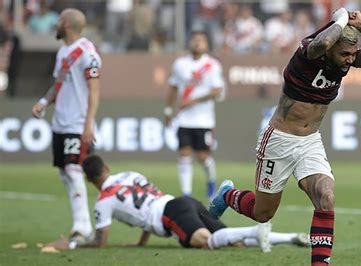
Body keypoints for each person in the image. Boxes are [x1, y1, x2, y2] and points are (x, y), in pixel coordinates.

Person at [209, 8, 361, 265]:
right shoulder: (308, 52)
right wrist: (339, 17)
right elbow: (325, 41)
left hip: (310, 141)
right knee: (263, 214)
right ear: (331, 49)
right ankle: (228, 195)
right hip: (279, 139)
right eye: (345, 54)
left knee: (326, 196)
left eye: (352, 54)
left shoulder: (342, 57)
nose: (350, 60)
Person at [45, 154, 310, 251]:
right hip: (182, 202)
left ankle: (256, 230)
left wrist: (75, 245)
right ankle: (291, 238)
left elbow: (100, 241)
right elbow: (146, 203)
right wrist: (140, 242)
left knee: (205, 242)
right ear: (107, 167)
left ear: (91, 181)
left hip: (169, 215)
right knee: (232, 242)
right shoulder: (130, 175)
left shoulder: (103, 202)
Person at [31, 8, 102, 245]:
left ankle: (83, 228)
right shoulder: (63, 52)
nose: (56, 24)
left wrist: (88, 122)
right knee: (64, 173)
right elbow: (58, 84)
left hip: (77, 123)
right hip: (60, 123)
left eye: (60, 20)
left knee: (74, 171)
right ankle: (80, 225)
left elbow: (94, 89)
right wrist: (44, 101)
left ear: (68, 25)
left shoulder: (87, 51)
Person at [164, 31, 225, 200]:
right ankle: (186, 194)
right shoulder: (180, 64)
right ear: (189, 42)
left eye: (201, 40)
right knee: (184, 154)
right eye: (195, 39)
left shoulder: (212, 65)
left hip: (204, 120)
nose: (197, 43)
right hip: (184, 119)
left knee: (203, 157)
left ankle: (211, 181)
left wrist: (195, 100)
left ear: (206, 44)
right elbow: (173, 87)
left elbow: (217, 91)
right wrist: (168, 110)